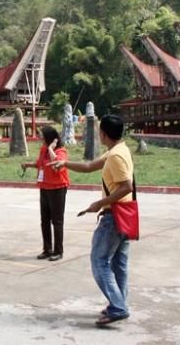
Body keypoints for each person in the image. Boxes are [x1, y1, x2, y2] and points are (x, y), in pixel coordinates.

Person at [48, 115, 134, 326]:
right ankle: (118, 304)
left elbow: (126, 186)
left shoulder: (116, 157)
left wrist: (99, 203)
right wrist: (65, 163)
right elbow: (88, 166)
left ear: (103, 133)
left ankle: (118, 307)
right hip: (125, 213)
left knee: (99, 261)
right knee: (118, 264)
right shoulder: (119, 151)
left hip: (114, 215)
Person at [21, 126, 70, 261]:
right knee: (45, 221)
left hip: (58, 188)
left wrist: (51, 149)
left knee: (57, 221)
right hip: (45, 188)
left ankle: (58, 251)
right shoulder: (43, 150)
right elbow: (40, 163)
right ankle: (47, 249)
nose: (40, 138)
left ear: (50, 138)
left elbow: (56, 165)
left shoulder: (61, 151)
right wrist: (28, 165)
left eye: (42, 136)